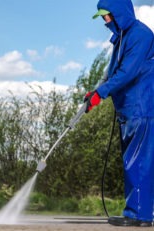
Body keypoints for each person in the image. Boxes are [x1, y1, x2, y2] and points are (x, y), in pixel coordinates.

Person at [84, 0, 154, 227]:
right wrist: (95, 92)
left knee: (138, 162)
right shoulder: (122, 37)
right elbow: (112, 72)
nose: (105, 21)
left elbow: (127, 72)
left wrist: (101, 94)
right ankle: (137, 212)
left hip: (141, 107)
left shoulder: (140, 35)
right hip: (129, 110)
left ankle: (139, 215)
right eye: (103, 17)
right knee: (131, 161)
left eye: (108, 15)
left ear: (120, 12)